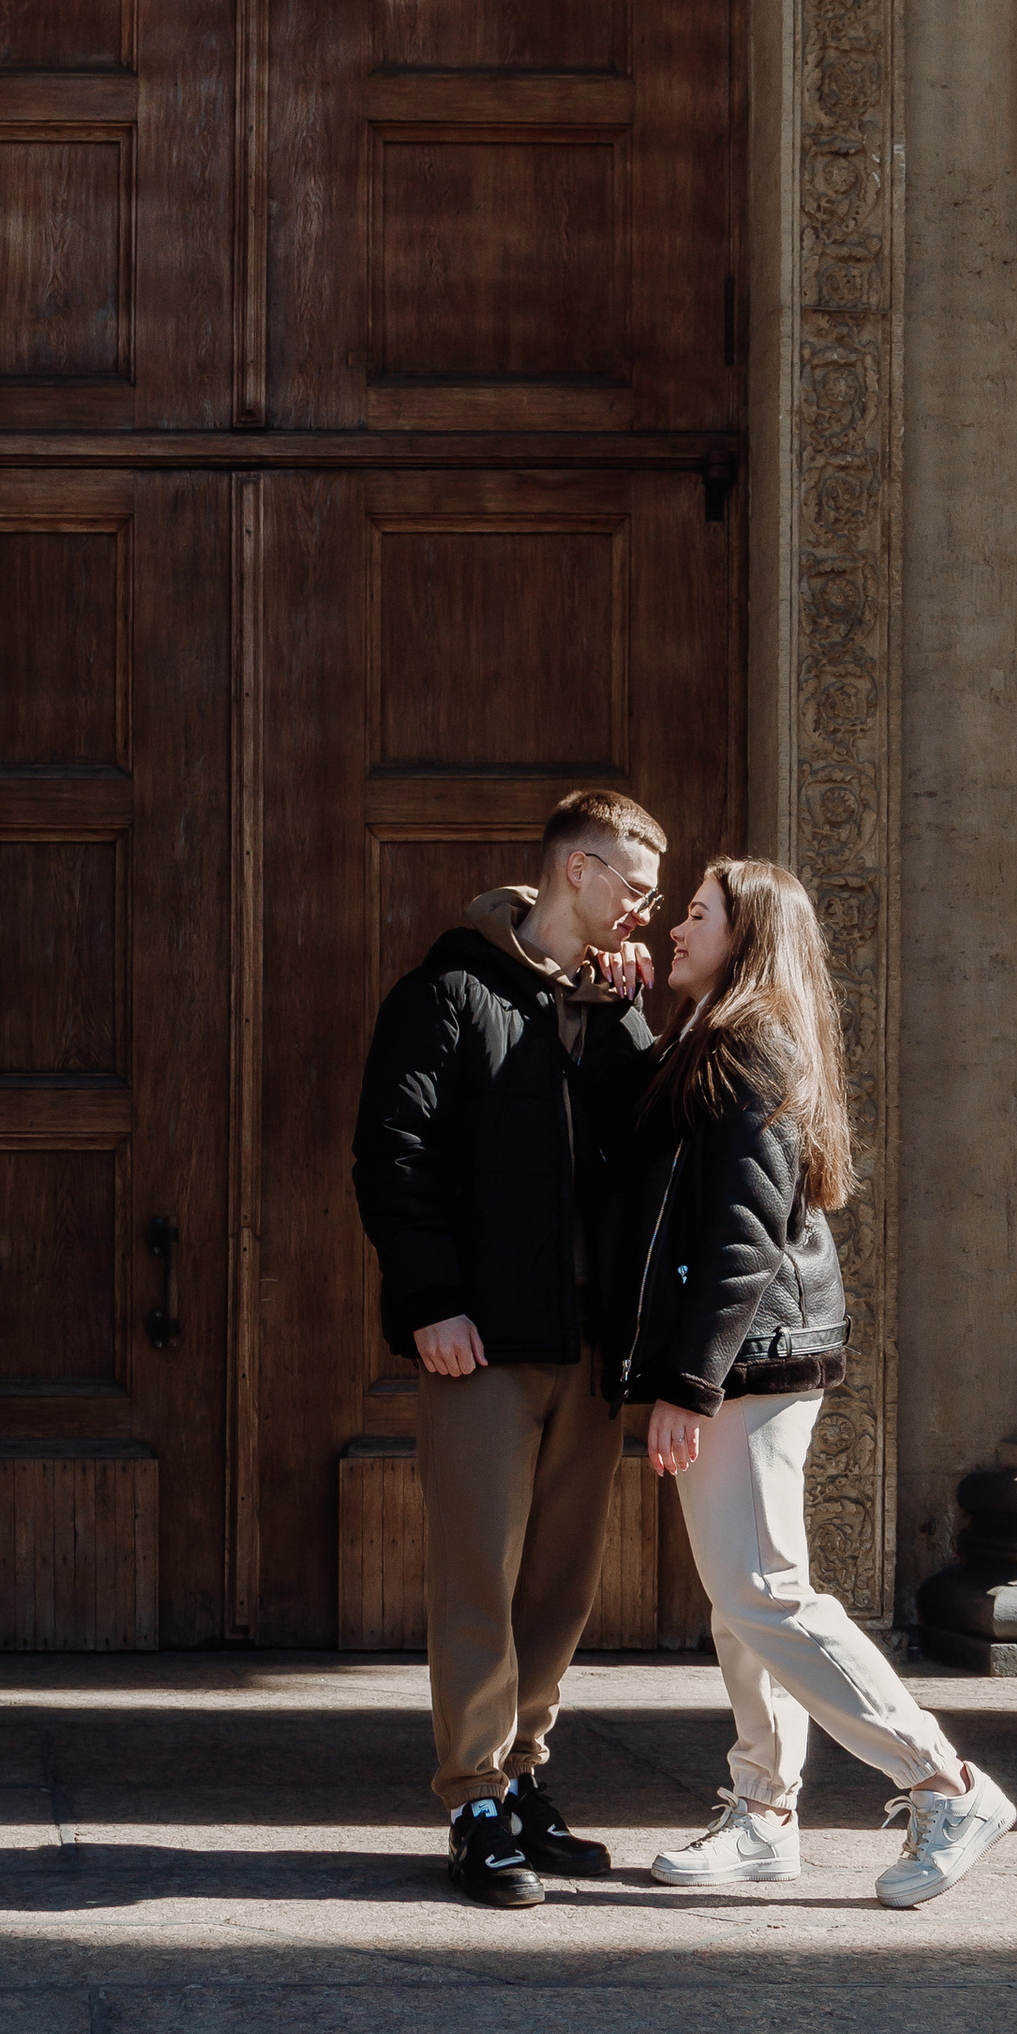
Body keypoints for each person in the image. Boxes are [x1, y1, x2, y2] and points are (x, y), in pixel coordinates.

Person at [602, 858, 1017, 1908]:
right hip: (746, 1362)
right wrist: (618, 1015)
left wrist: (685, 1386)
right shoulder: (710, 1041)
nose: (678, 927)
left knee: (765, 1593)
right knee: (743, 1599)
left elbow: (741, 1240)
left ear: (745, 939)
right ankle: (763, 1814)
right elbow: (652, 1146)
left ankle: (942, 1782)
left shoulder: (748, 1050)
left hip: (747, 1362)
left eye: (698, 914)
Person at [353, 788, 665, 1907]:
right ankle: (473, 1797)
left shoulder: (619, 1008)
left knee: (563, 1581)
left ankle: (526, 1774)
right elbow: (394, 1155)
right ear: (573, 873)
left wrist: (634, 1010)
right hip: (480, 1343)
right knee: (477, 1575)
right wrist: (430, 1298)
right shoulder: (444, 993)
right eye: (633, 887)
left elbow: (650, 1157)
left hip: (591, 1345)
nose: (647, 909)